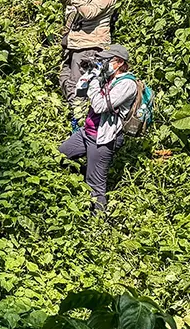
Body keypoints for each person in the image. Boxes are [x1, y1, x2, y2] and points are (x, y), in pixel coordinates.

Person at [59, 44, 137, 213]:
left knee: (95, 186)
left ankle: (97, 225)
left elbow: (101, 106)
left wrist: (95, 82)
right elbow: (80, 92)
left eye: (108, 60)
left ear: (119, 62)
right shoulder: (107, 77)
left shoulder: (127, 84)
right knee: (59, 157)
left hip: (103, 138)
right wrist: (90, 74)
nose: (104, 63)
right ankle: (77, 184)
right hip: (86, 132)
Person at [59, 0, 117, 128]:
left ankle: (81, 124)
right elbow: (68, 1)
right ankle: (78, 115)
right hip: (75, 44)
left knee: (80, 86)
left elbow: (89, 12)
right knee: (65, 79)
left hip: (89, 45)